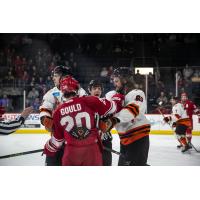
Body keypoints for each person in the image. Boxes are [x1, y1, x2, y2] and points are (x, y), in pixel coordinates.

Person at [43, 76, 124, 166]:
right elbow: (114, 107)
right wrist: (119, 95)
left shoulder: (58, 112)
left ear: (62, 92)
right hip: (92, 152)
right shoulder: (90, 101)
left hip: (71, 154)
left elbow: (57, 141)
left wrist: (48, 148)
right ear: (77, 90)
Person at [39, 65, 87, 166]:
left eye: (56, 75)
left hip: (76, 142)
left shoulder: (80, 91)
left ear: (64, 77)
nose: (53, 78)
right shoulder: (52, 93)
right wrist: (47, 120)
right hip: (57, 141)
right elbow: (45, 109)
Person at [105, 67, 151, 166]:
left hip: (138, 139)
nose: (114, 83)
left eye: (117, 81)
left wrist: (114, 120)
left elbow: (133, 109)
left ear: (125, 80)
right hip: (125, 140)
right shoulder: (115, 95)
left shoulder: (137, 93)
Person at [88, 79, 112, 166]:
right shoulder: (84, 105)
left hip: (105, 143)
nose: (97, 90)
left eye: (99, 88)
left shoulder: (107, 104)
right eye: (94, 88)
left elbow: (111, 122)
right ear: (89, 90)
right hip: (89, 144)